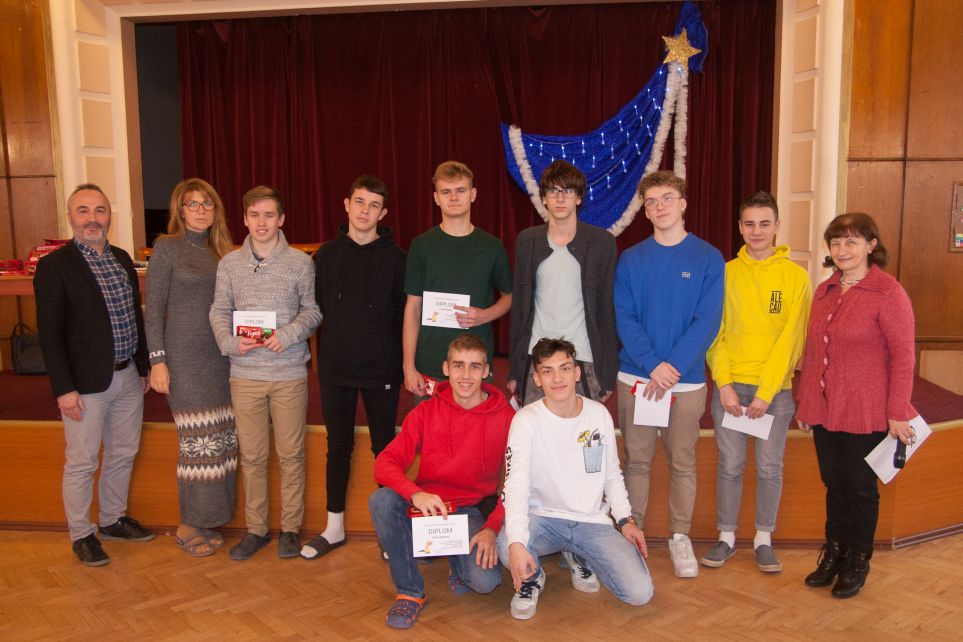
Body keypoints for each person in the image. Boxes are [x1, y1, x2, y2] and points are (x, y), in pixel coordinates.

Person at [797, 212, 916, 599]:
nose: (842, 249)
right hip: (826, 408)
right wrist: (807, 403)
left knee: (860, 489)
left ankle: (857, 560)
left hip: (866, 409)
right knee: (834, 484)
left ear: (871, 245)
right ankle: (833, 553)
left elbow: (903, 357)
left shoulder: (888, 293)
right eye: (836, 242)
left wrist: (897, 411)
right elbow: (814, 352)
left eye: (851, 241)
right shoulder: (825, 290)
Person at [34, 183, 154, 567]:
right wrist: (63, 389)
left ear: (109, 216)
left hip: (127, 376)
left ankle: (113, 519)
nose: (92, 218)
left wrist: (143, 367)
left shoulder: (121, 258)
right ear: (70, 217)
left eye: (100, 210)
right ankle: (81, 534)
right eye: (83, 211)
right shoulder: (55, 267)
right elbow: (50, 334)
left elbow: (134, 317)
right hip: (84, 385)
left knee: (123, 452)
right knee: (83, 462)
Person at [614, 170, 724, 579]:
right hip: (637, 379)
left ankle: (680, 536)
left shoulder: (708, 258)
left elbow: (707, 321)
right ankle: (633, 537)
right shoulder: (631, 259)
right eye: (651, 202)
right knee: (636, 462)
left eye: (666, 199)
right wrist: (652, 364)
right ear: (645, 211)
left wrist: (671, 367)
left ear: (683, 204)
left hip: (686, 381)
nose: (659, 207)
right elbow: (624, 317)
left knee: (683, 463)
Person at [498, 338, 653, 621]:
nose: (557, 378)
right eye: (547, 371)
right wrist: (517, 543)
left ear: (577, 373)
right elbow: (515, 484)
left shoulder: (599, 415)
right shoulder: (525, 420)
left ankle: (578, 554)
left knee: (639, 593)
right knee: (508, 549)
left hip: (591, 521)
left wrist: (625, 520)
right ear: (537, 379)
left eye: (565, 368)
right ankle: (533, 578)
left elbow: (612, 475)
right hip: (543, 518)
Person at [369, 333, 514, 629]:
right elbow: (384, 464)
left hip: (471, 510)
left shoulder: (506, 417)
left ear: (487, 371)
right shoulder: (425, 411)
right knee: (382, 500)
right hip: (429, 506)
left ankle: (456, 563)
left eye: (475, 366)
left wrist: (491, 527)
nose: (466, 375)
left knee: (485, 582)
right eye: (458, 365)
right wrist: (415, 494)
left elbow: (516, 482)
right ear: (446, 369)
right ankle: (410, 592)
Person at [701, 191, 812, 573]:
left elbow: (791, 340)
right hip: (731, 389)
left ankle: (764, 539)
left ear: (777, 226)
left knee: (769, 467)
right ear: (740, 227)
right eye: (749, 224)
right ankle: (726, 537)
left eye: (765, 223)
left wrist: (766, 392)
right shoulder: (725, 273)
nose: (757, 231)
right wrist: (724, 384)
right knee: (730, 465)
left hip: (774, 393)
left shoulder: (795, 278)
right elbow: (715, 333)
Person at [210, 185, 321, 561]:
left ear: (281, 219)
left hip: (288, 373)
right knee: (253, 457)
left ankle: (290, 529)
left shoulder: (300, 263)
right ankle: (256, 529)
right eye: (255, 215)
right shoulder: (229, 264)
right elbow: (219, 311)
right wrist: (229, 342)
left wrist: (287, 335)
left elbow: (312, 311)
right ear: (244, 219)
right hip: (245, 374)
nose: (262, 222)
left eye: (269, 215)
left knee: (291, 455)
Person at [301, 175, 406, 560]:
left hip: (382, 370)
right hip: (336, 369)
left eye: (373, 205)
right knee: (338, 446)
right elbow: (314, 309)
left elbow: (404, 316)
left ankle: (389, 533)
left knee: (385, 450)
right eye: (359, 202)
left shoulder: (398, 259)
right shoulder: (326, 256)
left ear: (384, 212)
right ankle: (334, 528)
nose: (365, 210)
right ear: (346, 205)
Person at [146, 178, 237, 557]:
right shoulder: (167, 248)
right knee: (197, 443)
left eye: (207, 204)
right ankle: (188, 523)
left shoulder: (225, 252)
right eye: (192, 204)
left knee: (222, 441)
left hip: (223, 359)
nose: (200, 210)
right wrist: (157, 361)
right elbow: (153, 309)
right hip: (185, 360)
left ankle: (209, 518)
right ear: (180, 211)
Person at [508, 160, 618, 405]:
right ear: (543, 198)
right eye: (553, 191)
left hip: (585, 359)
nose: (560, 198)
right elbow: (519, 311)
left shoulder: (602, 243)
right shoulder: (527, 241)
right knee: (537, 428)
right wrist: (515, 370)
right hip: (536, 360)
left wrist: (608, 374)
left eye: (568, 191)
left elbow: (607, 311)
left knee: (583, 429)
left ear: (578, 197)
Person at [402, 161, 512, 399]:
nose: (453, 197)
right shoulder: (421, 246)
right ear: (436, 198)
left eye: (460, 190)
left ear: (473, 194)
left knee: (475, 425)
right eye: (446, 192)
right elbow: (412, 308)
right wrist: (408, 366)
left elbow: (509, 296)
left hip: (475, 366)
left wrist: (484, 315)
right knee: (430, 426)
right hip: (429, 363)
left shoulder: (492, 246)